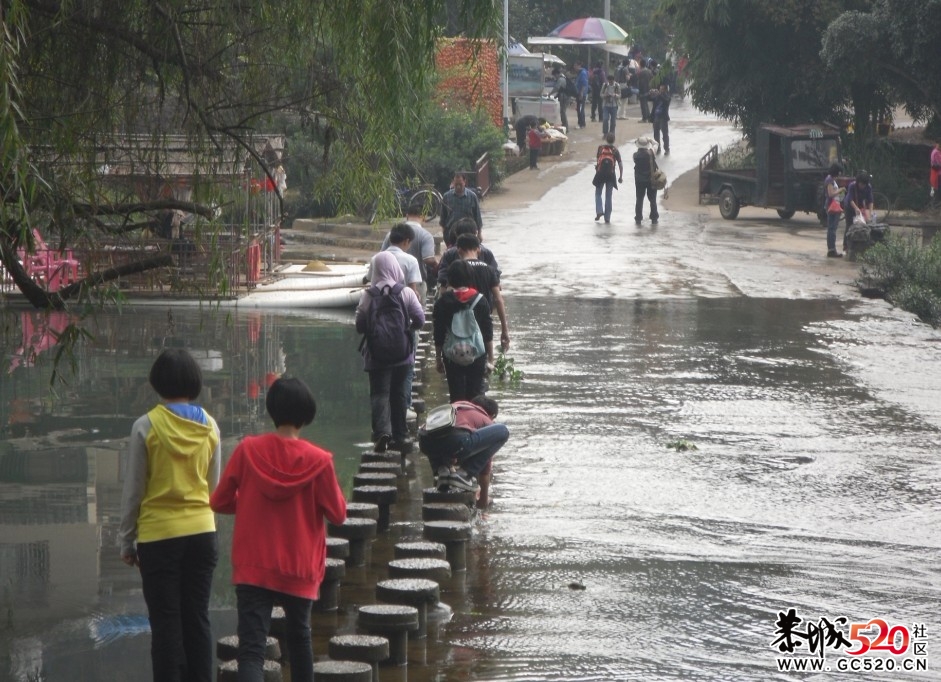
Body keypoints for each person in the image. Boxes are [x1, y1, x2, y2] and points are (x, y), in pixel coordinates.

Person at [210, 377, 347, 682]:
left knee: (251, 650)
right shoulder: (320, 461)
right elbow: (338, 514)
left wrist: (248, 503)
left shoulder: (247, 450)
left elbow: (218, 501)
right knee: (300, 640)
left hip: (254, 564)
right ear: (306, 414)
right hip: (299, 566)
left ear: (271, 410)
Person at [119, 348, 222, 682]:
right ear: (194, 383)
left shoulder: (145, 427)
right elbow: (214, 489)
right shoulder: (211, 427)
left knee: (165, 625)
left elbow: (133, 491)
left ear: (157, 383)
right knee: (197, 619)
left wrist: (127, 541)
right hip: (202, 533)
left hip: (158, 538)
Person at [356, 251, 425, 453]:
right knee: (400, 394)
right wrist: (406, 330)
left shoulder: (368, 296)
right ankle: (401, 436)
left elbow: (359, 325)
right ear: (394, 268)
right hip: (403, 354)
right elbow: (420, 319)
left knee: (379, 393)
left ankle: (381, 434)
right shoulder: (405, 292)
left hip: (376, 355)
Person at [418, 395, 509, 508]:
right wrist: (482, 503)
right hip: (455, 441)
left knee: (440, 439)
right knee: (503, 431)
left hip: (423, 440)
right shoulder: (485, 418)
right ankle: (464, 474)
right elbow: (485, 472)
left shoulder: (456, 407)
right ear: (491, 415)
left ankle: (442, 471)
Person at [433, 259, 494, 403]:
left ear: (450, 278)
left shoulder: (442, 302)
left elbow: (438, 333)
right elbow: (487, 331)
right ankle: (475, 422)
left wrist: (438, 359)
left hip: (452, 354)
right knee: (476, 394)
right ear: (470, 277)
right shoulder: (480, 300)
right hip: (477, 353)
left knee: (456, 396)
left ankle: (459, 423)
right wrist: (491, 358)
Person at [455, 232, 510, 352]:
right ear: (478, 249)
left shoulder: (456, 268)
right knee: (483, 358)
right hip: (484, 320)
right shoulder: (489, 270)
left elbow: (448, 295)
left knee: (461, 355)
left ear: (459, 250)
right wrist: (504, 330)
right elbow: (498, 299)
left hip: (459, 322)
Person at [389, 200, 438, 303]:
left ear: (407, 216)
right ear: (423, 218)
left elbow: (383, 253)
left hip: (391, 283)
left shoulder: (391, 234)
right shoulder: (425, 235)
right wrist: (437, 265)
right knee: (418, 313)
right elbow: (428, 259)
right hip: (417, 283)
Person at [371, 222, 421, 294]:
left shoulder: (375, 258)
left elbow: (371, 279)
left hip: (377, 302)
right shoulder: (411, 260)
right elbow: (412, 289)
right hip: (400, 302)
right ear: (407, 241)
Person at [439, 171, 482, 245]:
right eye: (456, 184)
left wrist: (479, 233)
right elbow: (443, 217)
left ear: (464, 182)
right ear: (453, 183)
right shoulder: (446, 196)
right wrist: (444, 232)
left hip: (468, 233)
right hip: (451, 234)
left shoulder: (472, 196)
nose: (458, 186)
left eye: (460, 184)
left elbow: (477, 216)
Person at [592, 132, 624, 224]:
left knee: (598, 194)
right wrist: (620, 177)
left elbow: (598, 160)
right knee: (608, 196)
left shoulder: (600, 148)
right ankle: (607, 218)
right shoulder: (615, 150)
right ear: (614, 140)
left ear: (605, 139)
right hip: (611, 174)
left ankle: (599, 211)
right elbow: (621, 165)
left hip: (600, 173)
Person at [633, 137, 660, 225]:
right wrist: (650, 139)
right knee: (653, 199)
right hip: (651, 179)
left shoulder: (635, 155)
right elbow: (656, 144)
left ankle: (638, 217)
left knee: (639, 199)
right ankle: (654, 217)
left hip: (639, 180)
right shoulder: (651, 153)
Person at [823, 163, 845, 258]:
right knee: (832, 229)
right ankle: (832, 250)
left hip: (834, 205)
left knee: (832, 229)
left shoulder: (831, 179)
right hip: (832, 206)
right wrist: (840, 190)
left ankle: (832, 249)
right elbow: (831, 194)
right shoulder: (830, 180)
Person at [648, 83, 671, 155]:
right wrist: (650, 93)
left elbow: (666, 101)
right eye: (660, 89)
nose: (660, 90)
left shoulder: (667, 96)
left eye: (662, 89)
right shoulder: (657, 96)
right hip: (656, 117)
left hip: (663, 118)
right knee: (656, 134)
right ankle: (658, 148)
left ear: (665, 90)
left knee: (665, 135)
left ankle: (666, 149)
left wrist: (659, 94)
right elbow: (650, 99)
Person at [574, 61, 589, 128]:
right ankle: (581, 122)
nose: (574, 67)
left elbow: (584, 84)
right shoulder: (579, 73)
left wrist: (581, 93)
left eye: (575, 66)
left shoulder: (583, 73)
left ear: (579, 65)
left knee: (580, 109)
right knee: (579, 108)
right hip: (579, 93)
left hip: (581, 94)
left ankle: (581, 123)